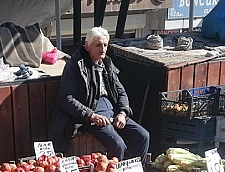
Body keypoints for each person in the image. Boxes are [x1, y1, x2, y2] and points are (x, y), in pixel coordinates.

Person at [50, 27, 150, 161]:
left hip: (112, 111)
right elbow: (66, 98)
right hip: (88, 115)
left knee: (143, 136)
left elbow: (121, 92)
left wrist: (122, 113)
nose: (102, 48)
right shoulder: (75, 65)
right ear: (87, 46)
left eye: (105, 45)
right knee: (118, 145)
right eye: (98, 45)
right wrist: (91, 115)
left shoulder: (107, 64)